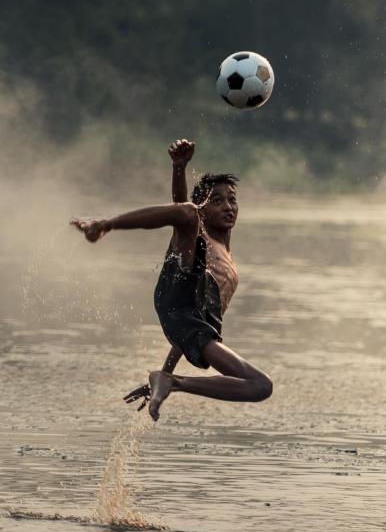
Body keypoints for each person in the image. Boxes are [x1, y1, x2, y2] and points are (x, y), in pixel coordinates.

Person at [71, 139, 272, 421]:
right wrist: (179, 168)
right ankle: (103, 225)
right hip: (176, 289)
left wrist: (166, 370)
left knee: (260, 387)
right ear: (205, 209)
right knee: (186, 214)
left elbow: (189, 329)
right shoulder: (199, 234)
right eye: (217, 200)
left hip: (188, 318)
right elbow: (182, 208)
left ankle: (169, 381)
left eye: (232, 199)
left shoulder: (228, 263)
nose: (228, 206)